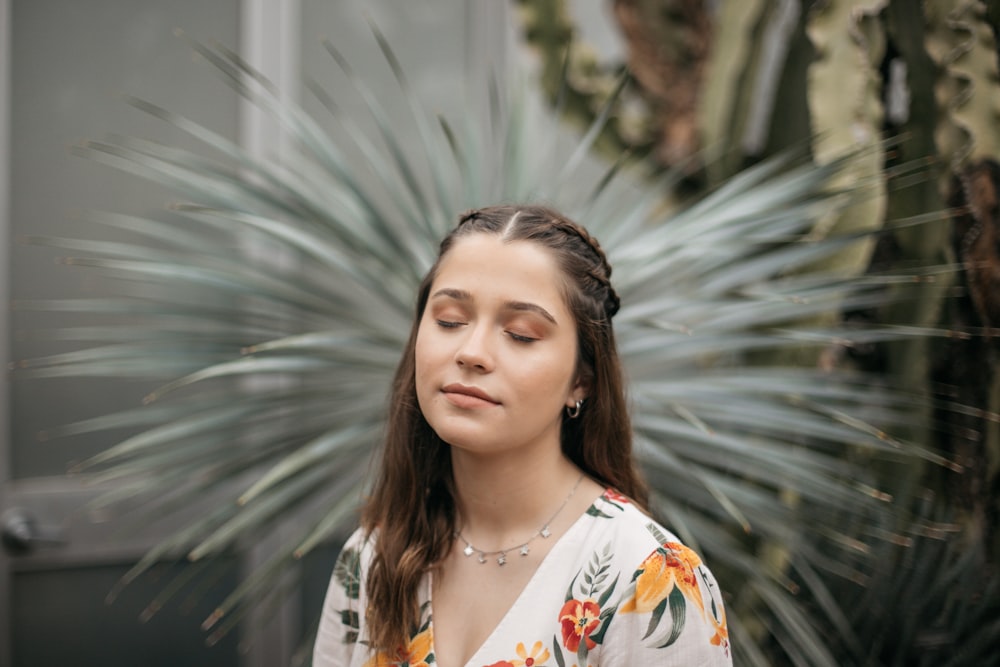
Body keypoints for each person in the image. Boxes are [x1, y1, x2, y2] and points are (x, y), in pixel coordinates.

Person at [313, 205, 731, 667]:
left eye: (521, 334)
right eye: (450, 320)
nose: (472, 352)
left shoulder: (649, 584)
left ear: (582, 379)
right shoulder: (372, 561)